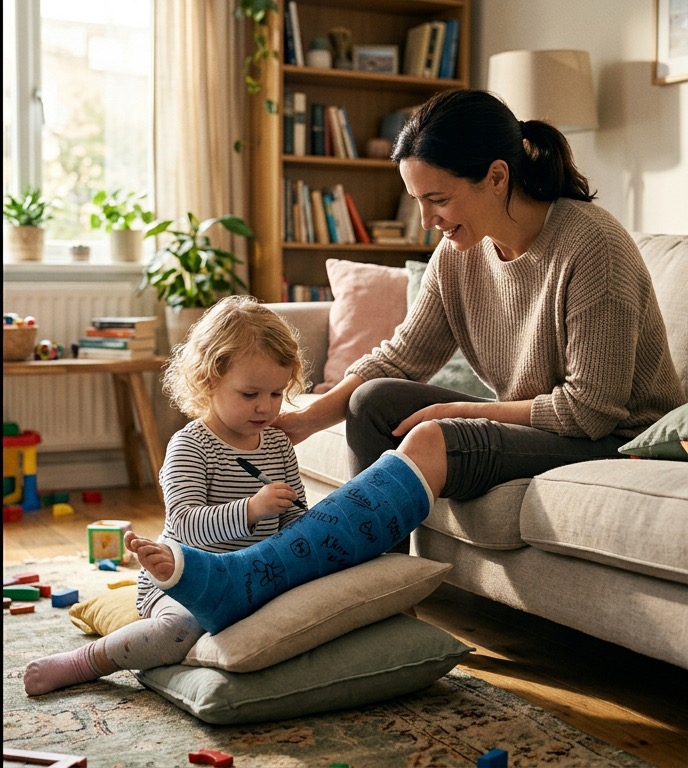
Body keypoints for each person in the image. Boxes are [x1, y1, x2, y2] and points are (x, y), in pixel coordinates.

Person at [104, 87, 685, 638]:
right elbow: (402, 357)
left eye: (438, 199)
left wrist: (457, 410)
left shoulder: (592, 246)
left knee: (435, 435)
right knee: (371, 399)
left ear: (496, 177)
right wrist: (311, 417)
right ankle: (364, 590)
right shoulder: (460, 254)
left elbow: (590, 409)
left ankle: (252, 577)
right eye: (419, 202)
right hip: (544, 418)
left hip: (615, 433)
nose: (429, 219)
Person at [24, 295, 310, 696]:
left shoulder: (278, 446)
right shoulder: (190, 446)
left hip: (252, 579)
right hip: (185, 577)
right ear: (210, 380)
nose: (266, 407)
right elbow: (187, 526)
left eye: (277, 394)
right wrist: (251, 509)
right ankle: (86, 663)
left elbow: (296, 520)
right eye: (250, 394)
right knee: (178, 631)